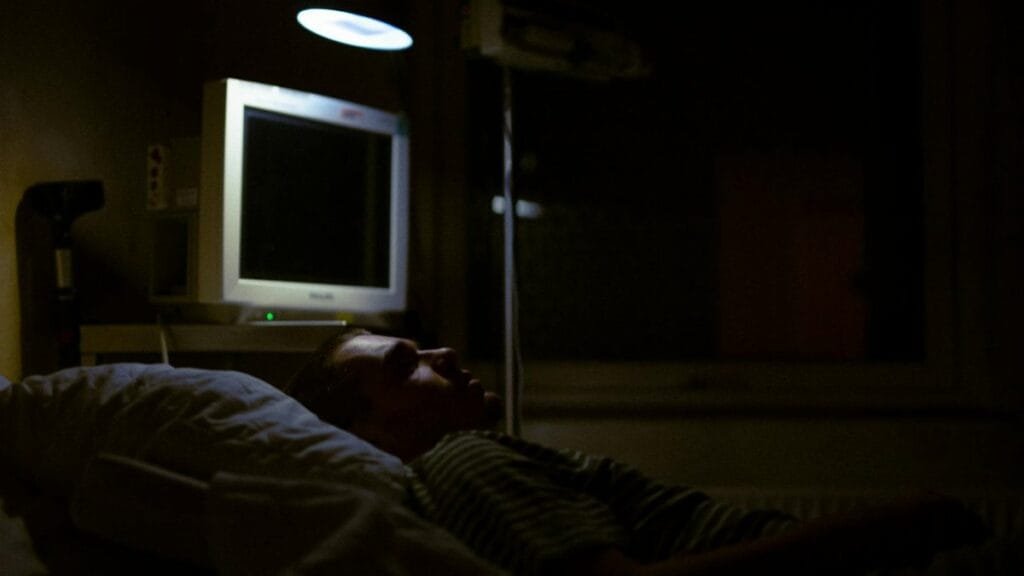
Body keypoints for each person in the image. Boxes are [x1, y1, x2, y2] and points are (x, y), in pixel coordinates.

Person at [284, 328, 990, 576]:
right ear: (372, 434)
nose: (442, 353)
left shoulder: (475, 458)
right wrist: (883, 529)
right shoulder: (462, 462)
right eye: (405, 365)